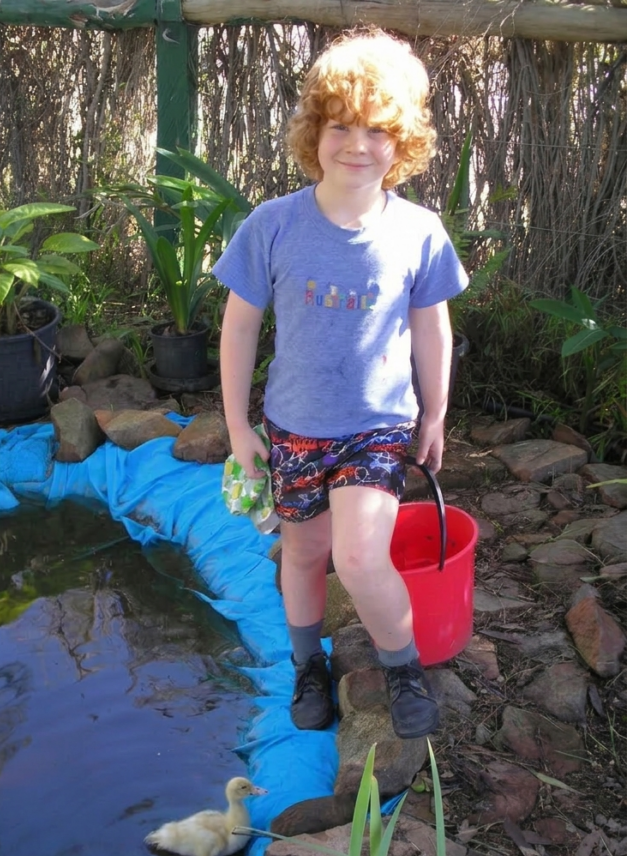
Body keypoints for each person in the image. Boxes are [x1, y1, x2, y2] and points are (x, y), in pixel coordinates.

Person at [212, 29, 468, 738]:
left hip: (376, 426)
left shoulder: (418, 232)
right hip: (295, 424)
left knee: (359, 555)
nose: (358, 144)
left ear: (403, 142)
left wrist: (436, 413)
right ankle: (307, 664)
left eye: (378, 130)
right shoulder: (273, 225)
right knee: (303, 550)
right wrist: (238, 428)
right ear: (313, 131)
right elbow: (238, 330)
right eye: (341, 125)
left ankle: (402, 665)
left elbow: (430, 329)